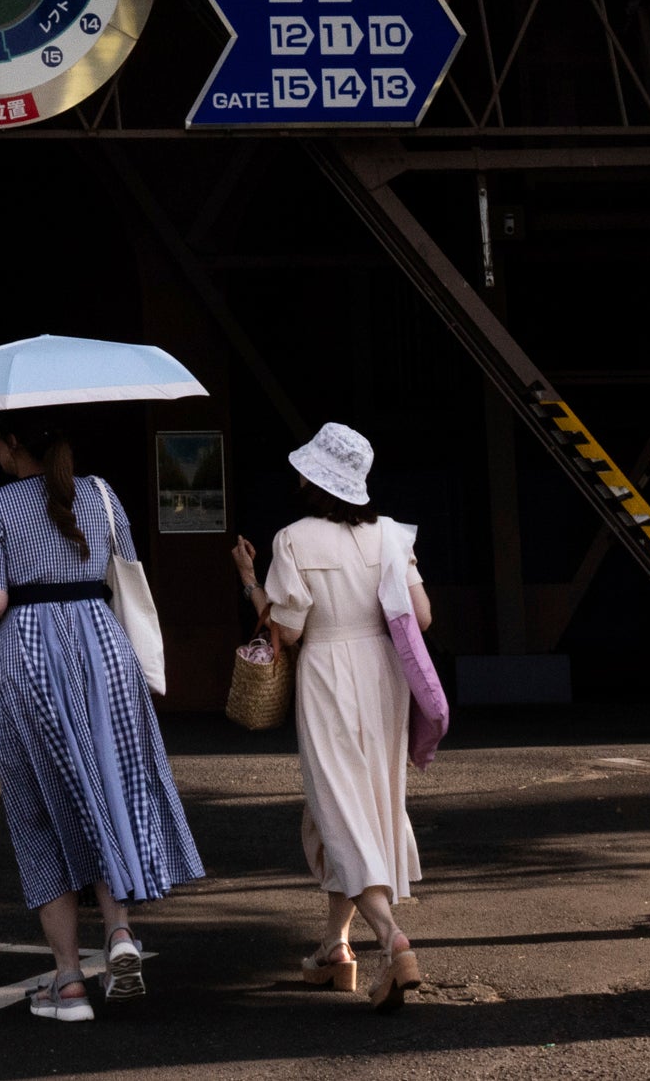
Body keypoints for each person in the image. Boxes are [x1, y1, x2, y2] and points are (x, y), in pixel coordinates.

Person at [0, 422, 204, 1024]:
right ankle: (119, 935)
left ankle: (69, 984)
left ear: (10, 445)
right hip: (105, 649)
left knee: (43, 810)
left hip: (32, 656)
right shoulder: (100, 493)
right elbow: (126, 571)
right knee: (110, 795)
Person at [229, 421, 433, 1009]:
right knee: (354, 802)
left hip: (327, 674)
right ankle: (333, 947)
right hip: (384, 674)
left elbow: (287, 633)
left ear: (314, 479)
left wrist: (248, 579)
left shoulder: (293, 539)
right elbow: (419, 617)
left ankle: (393, 942)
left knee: (338, 806)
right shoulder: (393, 535)